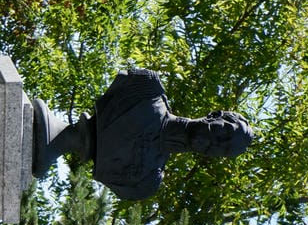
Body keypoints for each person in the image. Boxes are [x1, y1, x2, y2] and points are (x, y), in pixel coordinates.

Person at [33, 68, 254, 200]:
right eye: (225, 130)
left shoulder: (146, 182)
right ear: (214, 115)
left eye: (223, 148)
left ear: (215, 156)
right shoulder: (146, 87)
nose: (217, 141)